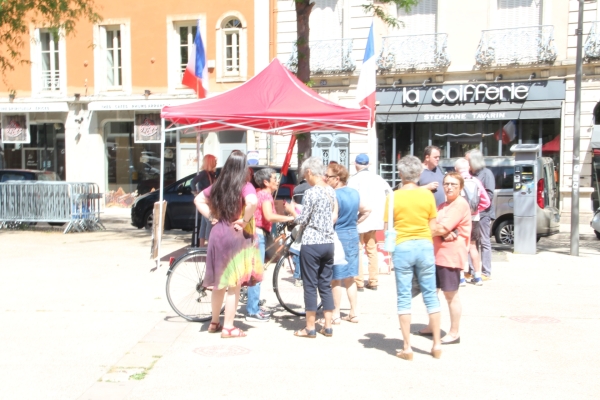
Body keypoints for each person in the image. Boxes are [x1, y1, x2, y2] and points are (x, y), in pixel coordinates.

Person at [193, 150, 262, 338]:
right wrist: (245, 220)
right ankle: (229, 327)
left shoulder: (218, 185)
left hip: (217, 234)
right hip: (234, 236)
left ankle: (214, 322)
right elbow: (252, 202)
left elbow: (198, 199)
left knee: (219, 283)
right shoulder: (245, 186)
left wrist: (211, 216)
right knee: (233, 285)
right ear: (243, 167)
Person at [384, 155, 442, 360]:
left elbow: (387, 228)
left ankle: (407, 347)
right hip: (425, 245)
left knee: (403, 296)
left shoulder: (393, 196)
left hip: (402, 246)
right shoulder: (427, 196)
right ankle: (436, 345)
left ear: (400, 173)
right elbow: (433, 227)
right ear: (419, 174)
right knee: (430, 296)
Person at [284, 157, 338, 338]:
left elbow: (303, 219)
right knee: (325, 284)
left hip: (312, 243)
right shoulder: (331, 191)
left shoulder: (310, 193)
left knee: (310, 285)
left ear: (309, 172)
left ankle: (310, 327)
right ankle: (328, 326)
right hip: (328, 242)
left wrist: (292, 212)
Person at [421, 172, 472, 345]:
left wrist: (436, 231)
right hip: (436, 254)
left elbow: (439, 228)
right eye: (447, 184)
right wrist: (440, 230)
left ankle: (454, 332)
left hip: (450, 256)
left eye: (453, 185)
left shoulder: (459, 205)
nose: (449, 187)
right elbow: (433, 225)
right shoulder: (443, 205)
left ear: (461, 188)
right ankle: (431, 326)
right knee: (432, 292)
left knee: (450, 295)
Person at [324, 163, 371, 325]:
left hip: (337, 235)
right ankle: (354, 312)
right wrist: (355, 222)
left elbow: (331, 217)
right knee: (350, 276)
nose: (325, 178)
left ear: (337, 179)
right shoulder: (354, 193)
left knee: (336, 278)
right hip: (352, 234)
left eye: (328, 176)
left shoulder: (333, 195)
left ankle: (336, 313)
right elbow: (367, 210)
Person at [247, 168, 295, 323]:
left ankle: (253, 304)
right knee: (257, 273)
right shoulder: (266, 195)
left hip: (256, 234)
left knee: (256, 271)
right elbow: (269, 216)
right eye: (274, 178)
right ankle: (252, 311)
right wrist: (288, 218)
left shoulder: (259, 193)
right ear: (266, 182)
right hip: (258, 235)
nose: (277, 181)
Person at [347, 153, 391, 291]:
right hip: (374, 219)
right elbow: (389, 194)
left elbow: (350, 199)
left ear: (356, 164)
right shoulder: (378, 178)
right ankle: (373, 281)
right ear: (369, 164)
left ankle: (359, 282)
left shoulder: (354, 180)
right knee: (372, 250)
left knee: (358, 250)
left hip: (359, 219)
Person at [455, 158, 490, 286]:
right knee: (473, 247)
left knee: (460, 247)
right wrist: (476, 211)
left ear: (456, 169)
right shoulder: (476, 181)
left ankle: (461, 278)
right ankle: (477, 276)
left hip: (460, 219)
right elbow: (486, 202)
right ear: (469, 168)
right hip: (474, 218)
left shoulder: (456, 182)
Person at [465, 149, 495, 281]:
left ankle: (486, 272)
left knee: (484, 242)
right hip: (471, 214)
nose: (466, 163)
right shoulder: (469, 174)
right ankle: (472, 270)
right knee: (472, 242)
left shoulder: (487, 173)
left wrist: (476, 207)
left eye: (468, 160)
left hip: (483, 213)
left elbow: (489, 195)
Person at [191, 154, 217, 247]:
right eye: (215, 161)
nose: (216, 163)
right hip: (205, 201)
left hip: (209, 201)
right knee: (210, 221)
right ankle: (208, 244)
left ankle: (202, 245)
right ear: (210, 162)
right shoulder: (204, 173)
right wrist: (196, 193)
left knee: (204, 223)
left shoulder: (212, 174)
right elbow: (192, 182)